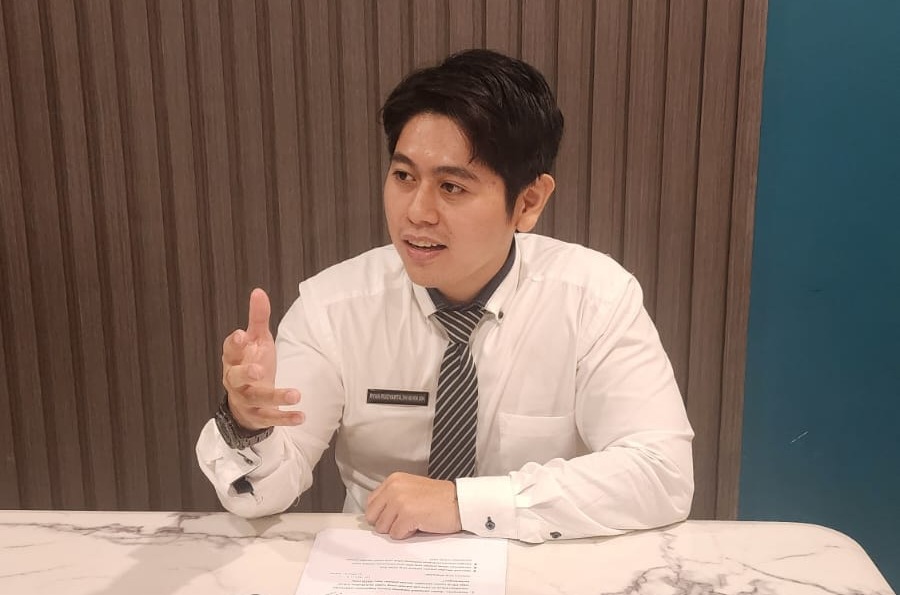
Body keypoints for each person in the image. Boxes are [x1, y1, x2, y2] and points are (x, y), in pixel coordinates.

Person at [196, 48, 694, 544]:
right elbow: (262, 493)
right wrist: (247, 425)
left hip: (537, 564)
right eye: (404, 176)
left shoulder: (594, 299)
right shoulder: (332, 308)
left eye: (452, 187)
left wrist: (466, 503)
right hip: (380, 560)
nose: (417, 212)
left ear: (528, 201)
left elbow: (662, 474)